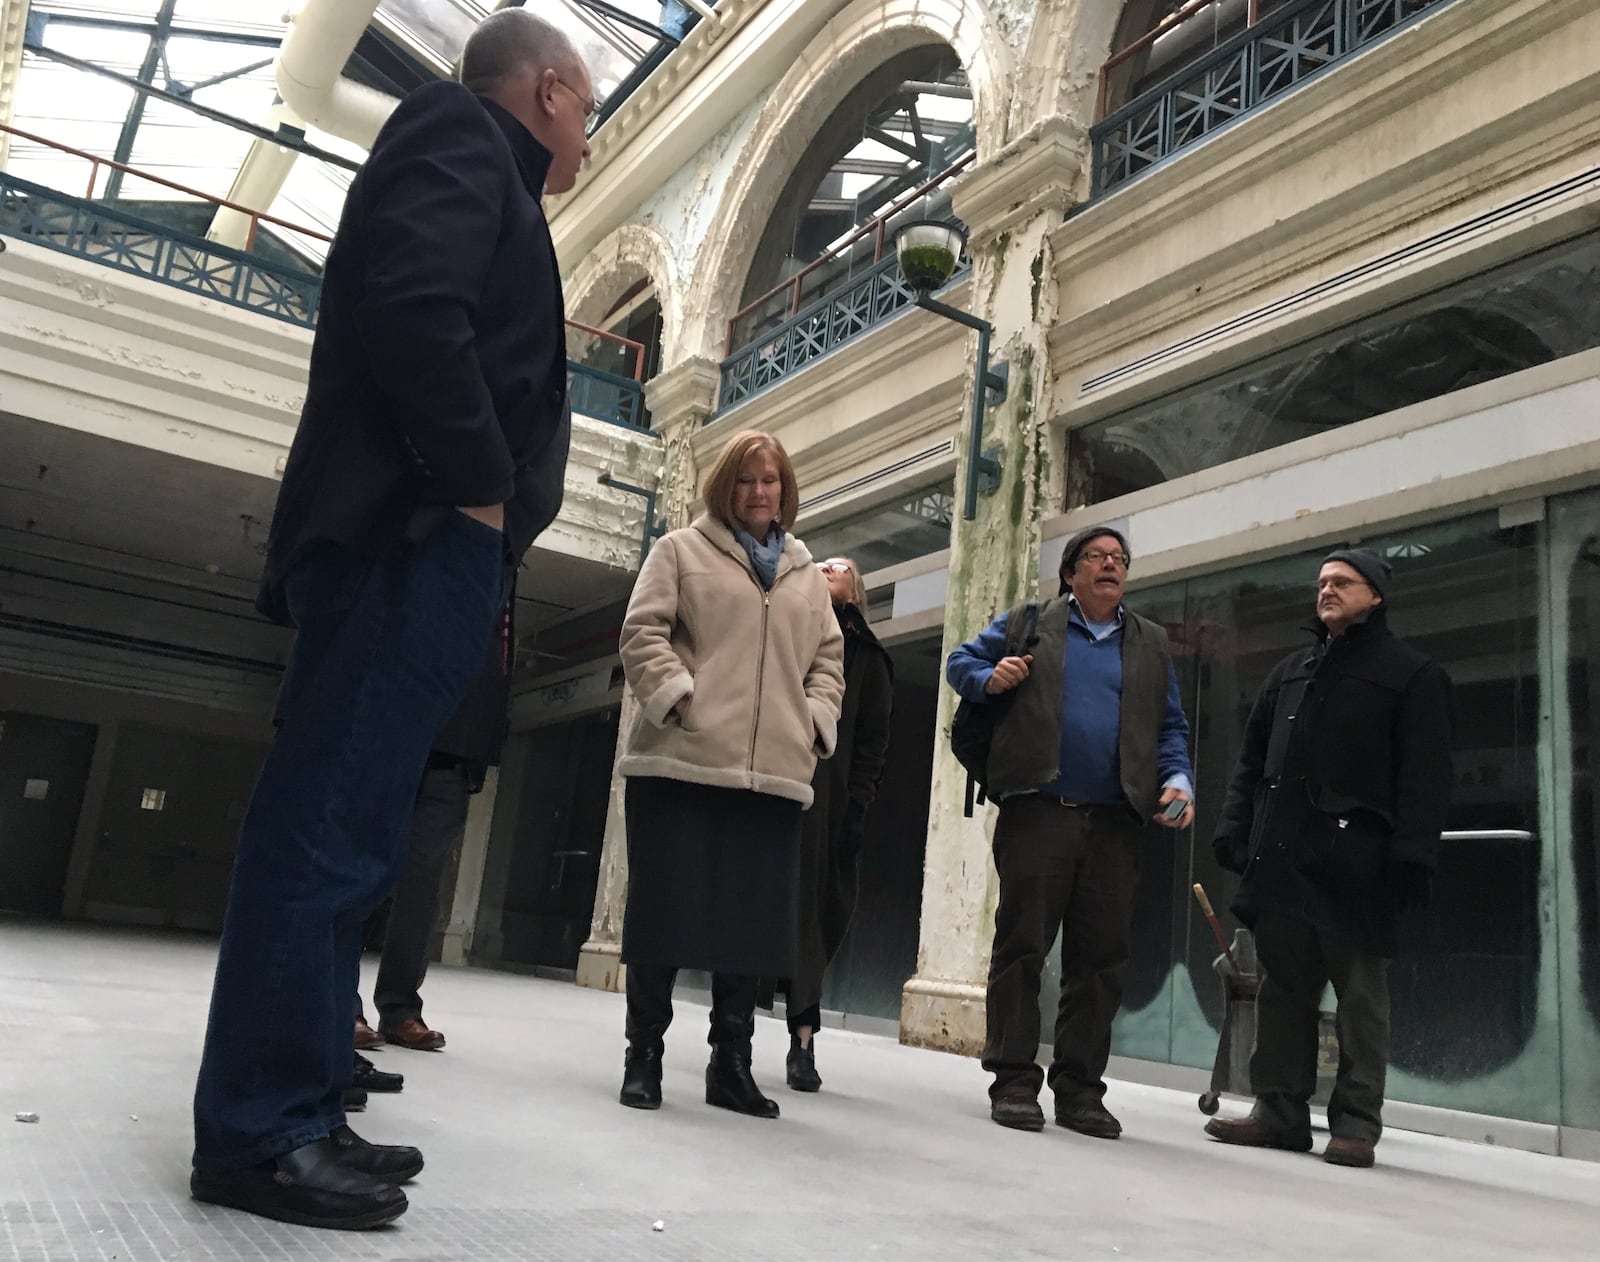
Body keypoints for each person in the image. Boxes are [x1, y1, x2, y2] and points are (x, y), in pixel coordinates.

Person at [189, 10, 591, 1231]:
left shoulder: (482, 161)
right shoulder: (457, 131)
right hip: (408, 535)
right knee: (325, 828)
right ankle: (259, 1128)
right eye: (587, 112)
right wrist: (475, 484)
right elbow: (416, 306)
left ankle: (302, 1103)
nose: (587, 136)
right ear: (556, 91)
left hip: (425, 540)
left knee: (352, 831)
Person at [614, 431, 845, 1120]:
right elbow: (642, 632)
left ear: (786, 489)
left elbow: (828, 663)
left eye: (771, 480)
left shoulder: (807, 577)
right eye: (746, 480)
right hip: (681, 763)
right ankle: (644, 1056)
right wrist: (680, 698)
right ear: (725, 487)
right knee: (663, 915)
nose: (759, 491)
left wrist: (811, 723)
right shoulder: (679, 550)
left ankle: (732, 1065)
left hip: (772, 775)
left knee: (752, 929)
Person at [1204, 548, 1453, 1169]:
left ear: (1376, 596)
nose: (1327, 590)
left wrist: (1411, 860)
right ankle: (1279, 1114)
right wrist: (1235, 832)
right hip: (1284, 864)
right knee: (1282, 991)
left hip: (1361, 871)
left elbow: (1426, 780)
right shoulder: (1290, 672)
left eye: (1342, 582)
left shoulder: (1413, 675)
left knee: (1361, 1001)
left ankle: (1356, 1124)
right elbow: (1251, 764)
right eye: (1321, 582)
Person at [946, 526, 1194, 1140]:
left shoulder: (1150, 644)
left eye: (1120, 559)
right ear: (1071, 573)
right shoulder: (1031, 622)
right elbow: (959, 663)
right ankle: (1012, 1080)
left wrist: (1180, 779)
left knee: (1102, 959)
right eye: (1097, 558)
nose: (1111, 566)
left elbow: (1170, 727)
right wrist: (990, 678)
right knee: (1022, 946)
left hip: (1116, 821)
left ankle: (1081, 1090)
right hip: (1040, 809)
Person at [353, 599, 515, 1060]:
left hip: (454, 746)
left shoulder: (501, 562)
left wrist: (482, 750)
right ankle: (340, 1004)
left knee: (423, 880)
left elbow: (496, 660)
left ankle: (401, 1007)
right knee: (360, 868)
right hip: (388, 731)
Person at [771, 556, 893, 1093]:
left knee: (817, 912)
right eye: (818, 563)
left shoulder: (868, 655)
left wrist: (858, 803)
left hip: (828, 797)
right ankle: (728, 1035)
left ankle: (803, 1040)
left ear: (857, 591)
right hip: (769, 781)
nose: (825, 569)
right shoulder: (781, 624)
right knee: (760, 901)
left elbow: (872, 739)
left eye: (838, 567)